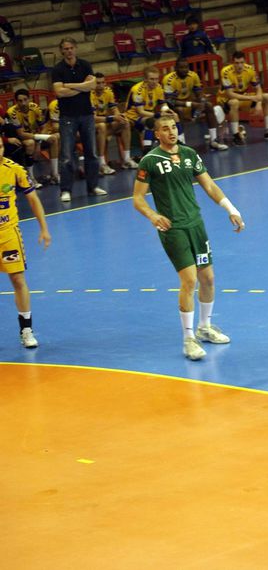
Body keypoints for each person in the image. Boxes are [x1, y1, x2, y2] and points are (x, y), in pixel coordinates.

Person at [133, 116, 243, 361]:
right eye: (165, 129)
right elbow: (138, 198)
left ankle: (205, 327)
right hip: (173, 229)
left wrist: (231, 209)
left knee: (209, 279)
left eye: (173, 127)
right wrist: (152, 215)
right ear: (157, 134)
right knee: (189, 281)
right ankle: (188, 339)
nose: (171, 132)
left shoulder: (189, 154)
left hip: (196, 225)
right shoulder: (149, 161)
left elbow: (209, 186)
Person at [0, 136, 51, 349]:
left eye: (0, 146)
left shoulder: (14, 170)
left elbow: (32, 198)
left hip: (8, 234)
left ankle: (26, 329)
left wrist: (44, 228)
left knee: (18, 280)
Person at [51, 38, 104, 203]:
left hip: (87, 115)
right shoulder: (57, 69)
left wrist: (70, 85)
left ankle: (93, 187)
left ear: (76, 48)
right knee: (66, 155)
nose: (69, 51)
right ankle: (66, 190)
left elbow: (92, 86)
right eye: (65, 48)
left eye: (71, 48)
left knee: (92, 153)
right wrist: (82, 86)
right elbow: (59, 92)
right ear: (61, 51)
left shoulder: (86, 65)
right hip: (67, 117)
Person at [163, 57, 228, 151]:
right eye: (181, 67)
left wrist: (202, 101)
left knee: (208, 105)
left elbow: (199, 93)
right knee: (179, 111)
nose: (184, 70)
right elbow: (170, 101)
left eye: (186, 67)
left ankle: (214, 141)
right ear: (176, 68)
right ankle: (181, 146)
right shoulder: (168, 80)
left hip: (191, 104)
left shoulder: (193, 76)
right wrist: (191, 104)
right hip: (175, 107)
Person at [218, 50, 268, 142]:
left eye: (241, 63)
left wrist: (259, 103)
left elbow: (259, 89)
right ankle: (236, 135)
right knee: (234, 102)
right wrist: (252, 98)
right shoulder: (225, 72)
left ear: (245, 62)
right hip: (225, 99)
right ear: (232, 63)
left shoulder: (250, 70)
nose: (239, 65)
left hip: (243, 97)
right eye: (237, 63)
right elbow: (230, 94)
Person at [9, 89, 61, 184]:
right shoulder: (12, 112)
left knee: (54, 138)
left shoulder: (35, 107)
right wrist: (38, 139)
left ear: (29, 99)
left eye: (25, 99)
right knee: (30, 143)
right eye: (20, 101)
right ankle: (31, 179)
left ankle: (55, 175)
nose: (23, 103)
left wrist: (39, 142)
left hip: (34, 136)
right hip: (18, 138)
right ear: (16, 102)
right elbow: (21, 134)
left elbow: (44, 127)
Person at [90, 72, 130, 172]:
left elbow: (113, 108)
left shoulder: (108, 92)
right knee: (102, 126)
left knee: (125, 122)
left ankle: (126, 159)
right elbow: (93, 118)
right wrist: (112, 118)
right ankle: (101, 164)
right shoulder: (89, 95)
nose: (101, 85)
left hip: (105, 123)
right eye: (98, 83)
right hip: (90, 126)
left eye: (103, 83)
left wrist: (119, 115)